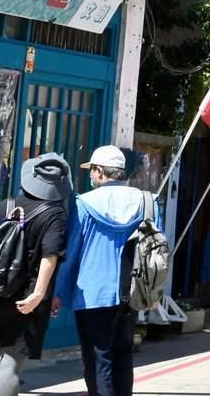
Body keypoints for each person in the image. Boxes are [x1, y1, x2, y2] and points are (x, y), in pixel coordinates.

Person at [52, 146, 155, 396]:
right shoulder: (146, 201)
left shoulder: (84, 203)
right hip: (131, 290)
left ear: (99, 171)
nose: (91, 176)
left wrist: (57, 292)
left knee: (99, 359)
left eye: (92, 171)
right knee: (123, 356)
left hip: (92, 294)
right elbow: (155, 249)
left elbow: (71, 252)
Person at [0, 153, 70, 396]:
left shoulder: (4, 205)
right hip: (25, 299)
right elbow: (50, 256)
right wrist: (38, 294)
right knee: (10, 365)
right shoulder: (54, 214)